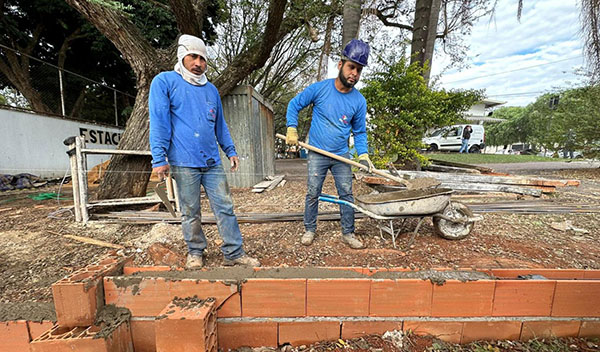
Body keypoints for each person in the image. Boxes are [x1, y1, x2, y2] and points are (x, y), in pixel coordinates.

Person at [149, 34, 260, 269]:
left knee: (225, 207)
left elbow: (220, 124)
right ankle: (195, 251)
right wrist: (159, 158)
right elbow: (159, 121)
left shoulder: (211, 90)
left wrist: (230, 150)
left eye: (202, 59)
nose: (198, 63)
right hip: (183, 161)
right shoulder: (165, 82)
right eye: (193, 57)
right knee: (190, 211)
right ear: (182, 56)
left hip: (211, 162)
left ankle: (234, 252)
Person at [285, 39, 374, 250]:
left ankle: (348, 232)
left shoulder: (359, 101)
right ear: (341, 64)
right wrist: (291, 128)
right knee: (313, 191)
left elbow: (360, 132)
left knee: (346, 194)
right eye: (352, 67)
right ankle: (309, 229)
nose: (355, 73)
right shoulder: (320, 89)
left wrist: (363, 154)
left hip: (341, 156)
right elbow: (294, 105)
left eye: (359, 70)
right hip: (317, 153)